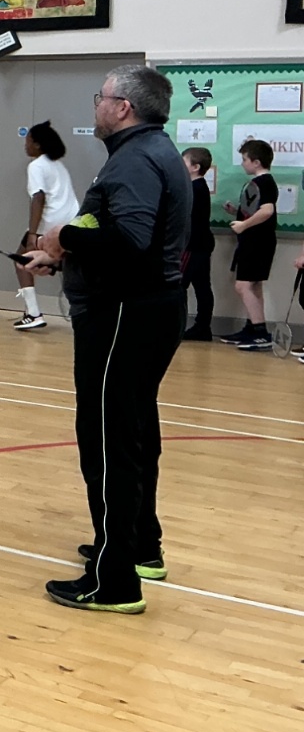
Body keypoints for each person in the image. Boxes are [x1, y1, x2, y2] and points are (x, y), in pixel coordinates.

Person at [25, 65, 190, 614]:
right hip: (143, 310)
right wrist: (63, 257)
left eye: (102, 97)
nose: (96, 104)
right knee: (135, 430)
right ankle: (140, 546)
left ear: (124, 108)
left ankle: (113, 580)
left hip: (125, 315)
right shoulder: (150, 151)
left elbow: (130, 240)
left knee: (107, 438)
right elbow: (121, 237)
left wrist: (63, 236)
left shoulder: (137, 159)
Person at [13, 121, 79, 331]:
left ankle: (33, 313)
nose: (25, 145)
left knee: (21, 260)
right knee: (67, 265)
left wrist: (32, 234)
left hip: (50, 224)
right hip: (71, 222)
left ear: (38, 144)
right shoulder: (57, 165)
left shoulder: (36, 166)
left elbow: (38, 198)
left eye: (28, 141)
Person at [219, 138, 277, 350]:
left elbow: (267, 211)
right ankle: (253, 327)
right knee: (253, 286)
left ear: (256, 162)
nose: (242, 163)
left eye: (245, 159)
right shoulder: (260, 182)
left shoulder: (265, 182)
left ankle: (260, 333)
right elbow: (257, 210)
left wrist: (243, 225)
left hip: (257, 242)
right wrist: (236, 212)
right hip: (255, 241)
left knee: (242, 286)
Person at [181, 147, 215, 340]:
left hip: (192, 245)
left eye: (184, 162)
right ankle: (202, 326)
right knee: (202, 286)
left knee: (179, 285)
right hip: (201, 243)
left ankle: (179, 325)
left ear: (195, 167)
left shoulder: (194, 189)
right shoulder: (199, 187)